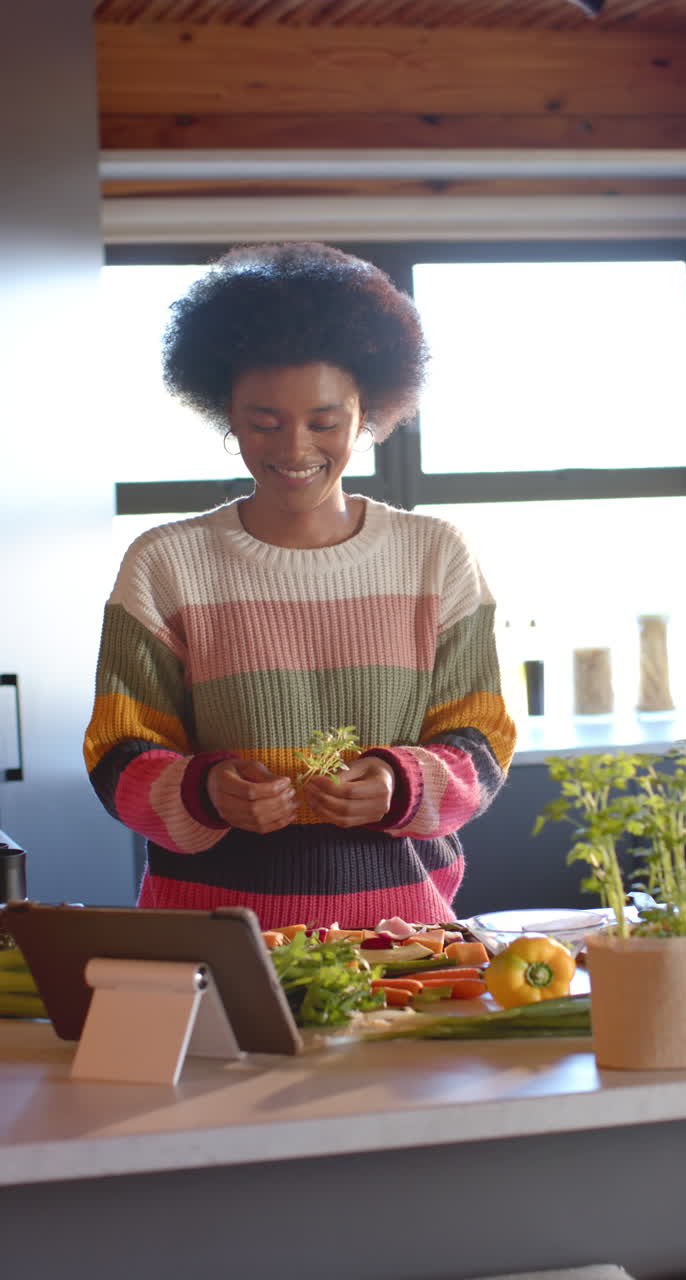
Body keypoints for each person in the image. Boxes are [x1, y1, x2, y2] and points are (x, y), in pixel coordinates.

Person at [83, 242, 517, 930]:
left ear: (368, 411)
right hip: (214, 940)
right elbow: (118, 758)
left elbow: (480, 744)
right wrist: (206, 791)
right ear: (225, 411)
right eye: (264, 422)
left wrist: (396, 783)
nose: (293, 450)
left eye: (324, 422)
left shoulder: (436, 556)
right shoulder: (165, 564)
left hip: (402, 939)